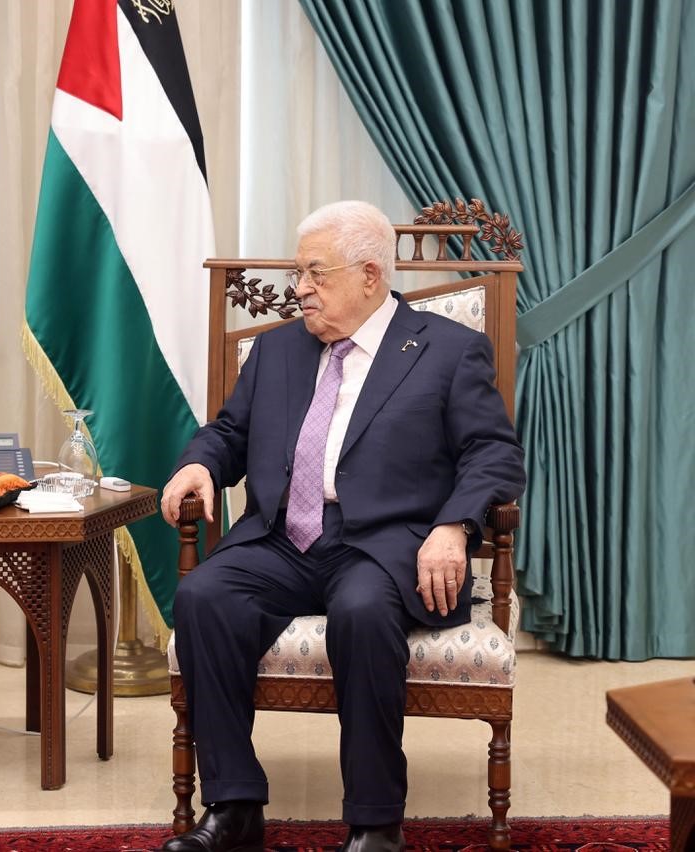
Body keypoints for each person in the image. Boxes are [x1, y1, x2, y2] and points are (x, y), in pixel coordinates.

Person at [158, 201, 526, 852]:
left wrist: (453, 526)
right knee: (204, 595)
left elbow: (493, 454)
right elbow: (231, 432)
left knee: (362, 610)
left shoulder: (447, 350)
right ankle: (234, 806)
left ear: (369, 276)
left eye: (315, 273)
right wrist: (199, 465)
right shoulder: (277, 351)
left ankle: (375, 824)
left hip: (383, 546)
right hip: (282, 539)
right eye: (299, 273)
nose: (300, 287)